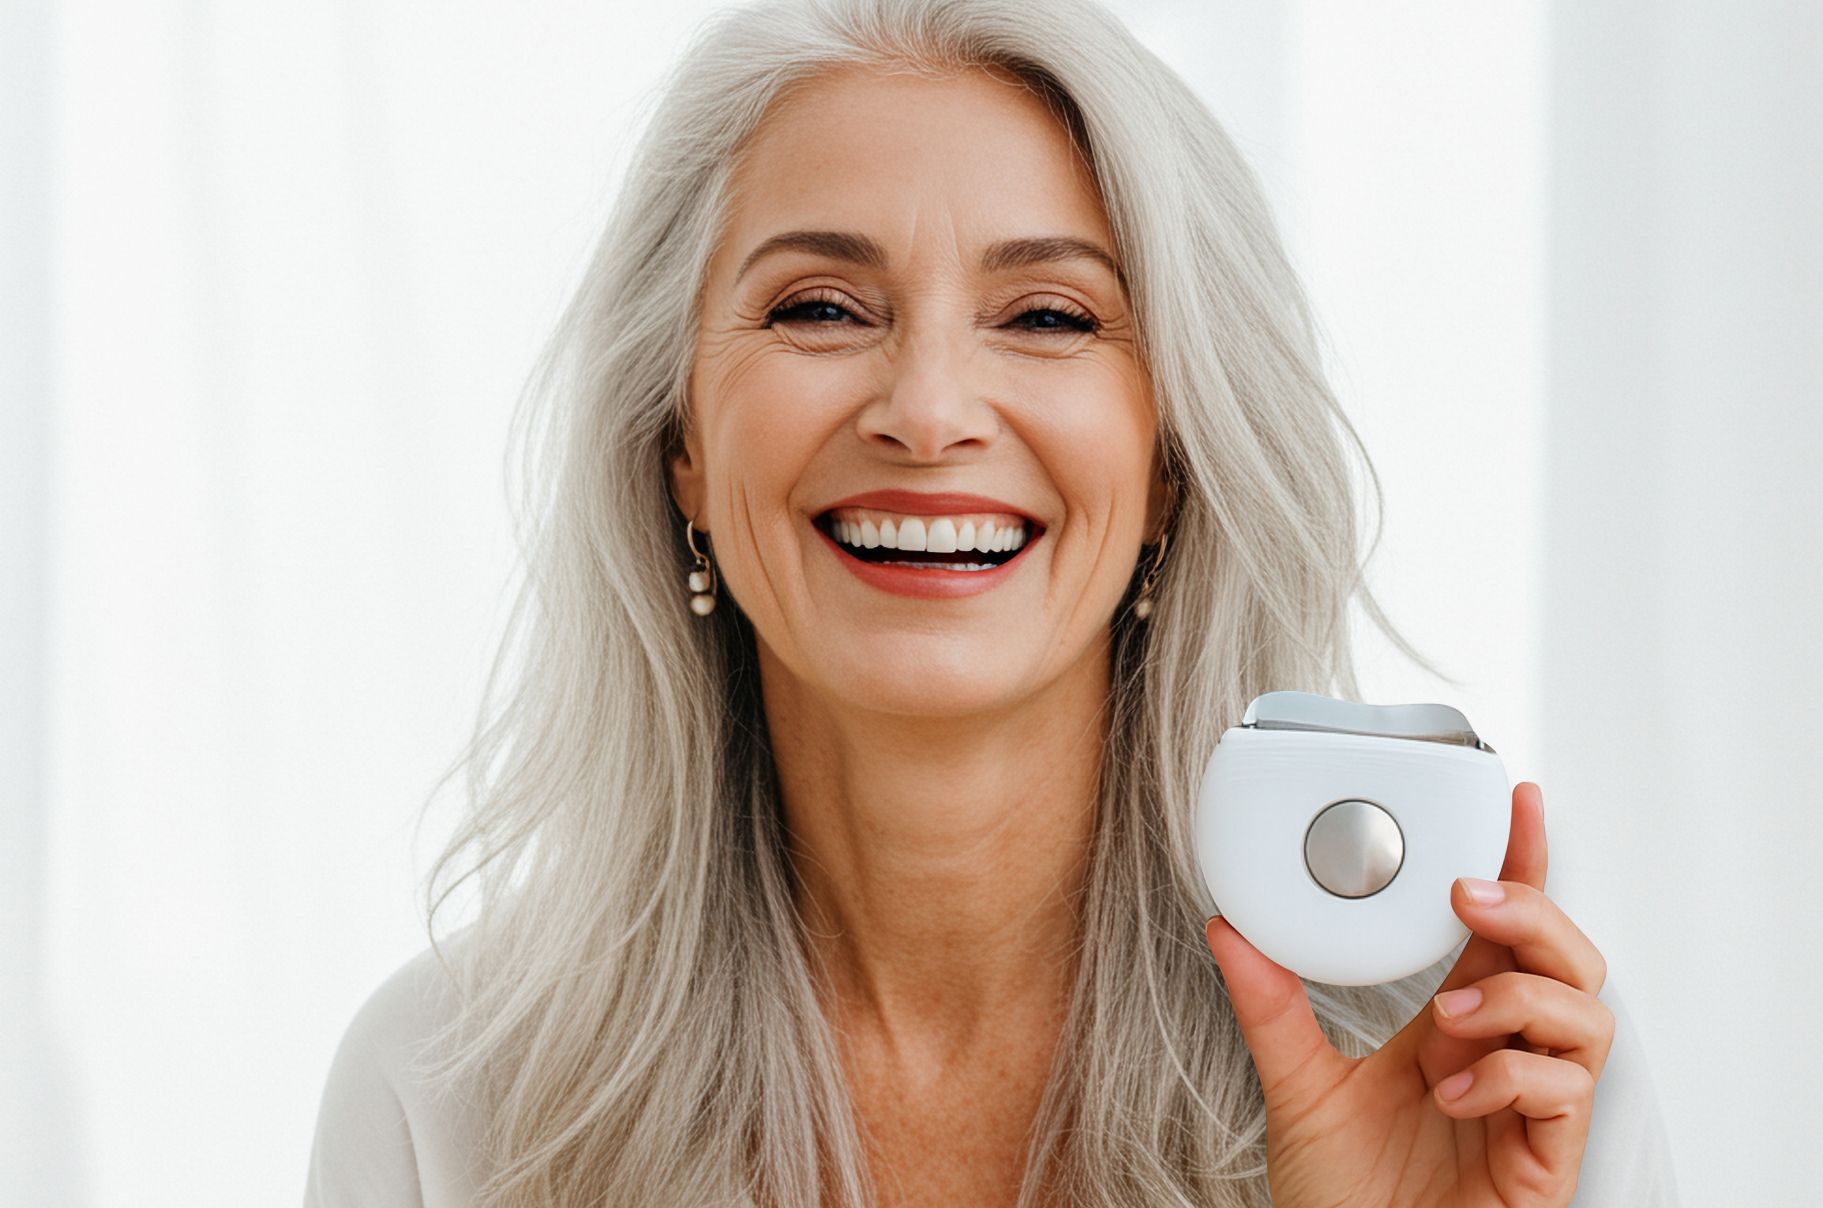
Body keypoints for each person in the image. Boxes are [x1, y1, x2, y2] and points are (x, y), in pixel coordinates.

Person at [305, 0, 1682, 1204]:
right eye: (822, 308)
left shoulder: (1482, 1061)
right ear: (680, 449)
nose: (928, 410)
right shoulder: (448, 1091)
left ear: (1173, 460)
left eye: (1049, 317)